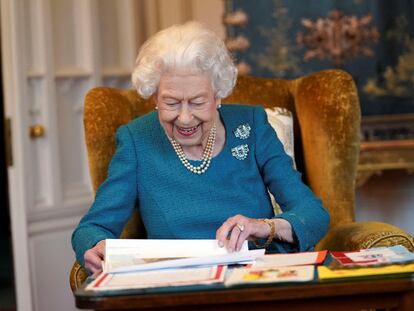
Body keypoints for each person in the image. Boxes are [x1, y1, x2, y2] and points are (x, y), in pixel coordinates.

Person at [72, 21, 330, 275]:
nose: (184, 118)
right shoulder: (137, 139)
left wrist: (264, 227)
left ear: (218, 94)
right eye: (171, 103)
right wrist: (96, 245)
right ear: (154, 97)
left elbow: (314, 214)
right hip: (179, 285)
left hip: (256, 278)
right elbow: (92, 227)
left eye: (197, 102)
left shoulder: (251, 125)